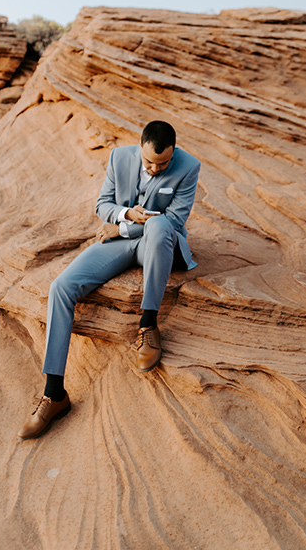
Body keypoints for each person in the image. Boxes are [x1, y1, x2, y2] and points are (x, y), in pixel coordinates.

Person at [17, 120, 200, 440]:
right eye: (148, 163)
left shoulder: (189, 167)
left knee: (159, 227)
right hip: (118, 243)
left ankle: (148, 324)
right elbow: (103, 205)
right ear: (139, 148)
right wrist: (126, 216)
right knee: (60, 287)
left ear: (174, 153)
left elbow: (174, 219)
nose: (155, 170)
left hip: (158, 245)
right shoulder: (119, 158)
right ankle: (55, 393)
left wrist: (122, 228)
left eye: (163, 163)